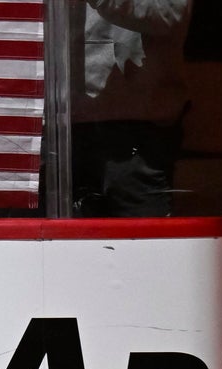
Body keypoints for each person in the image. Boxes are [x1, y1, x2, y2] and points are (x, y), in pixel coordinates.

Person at [69, 0, 193, 217]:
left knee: (142, 246)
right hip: (41, 128)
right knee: (28, 245)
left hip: (133, 131)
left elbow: (170, 11)